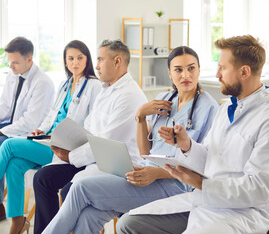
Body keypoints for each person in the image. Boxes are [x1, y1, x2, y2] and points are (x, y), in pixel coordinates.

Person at [117, 35, 269, 234]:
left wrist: (201, 183)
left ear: (244, 72)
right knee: (129, 224)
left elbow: (259, 189)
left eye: (223, 68)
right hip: (204, 200)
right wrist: (187, 145)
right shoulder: (228, 107)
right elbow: (211, 156)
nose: (218, 74)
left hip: (241, 214)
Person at [42, 46, 219, 234]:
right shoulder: (164, 100)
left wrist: (156, 173)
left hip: (176, 185)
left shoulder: (209, 108)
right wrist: (141, 117)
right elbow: (145, 151)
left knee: (80, 188)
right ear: (169, 73)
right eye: (178, 70)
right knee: (89, 216)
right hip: (144, 175)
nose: (186, 75)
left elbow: (203, 164)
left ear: (199, 69)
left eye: (191, 68)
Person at [33, 39, 148, 234]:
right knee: (43, 178)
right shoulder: (107, 89)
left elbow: (104, 143)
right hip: (90, 159)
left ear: (117, 61)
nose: (96, 66)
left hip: (112, 166)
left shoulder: (129, 96)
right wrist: (65, 143)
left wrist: (70, 156)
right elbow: (88, 127)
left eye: (101, 60)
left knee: (71, 189)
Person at [0, 40, 101, 234]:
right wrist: (41, 129)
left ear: (87, 59)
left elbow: (91, 123)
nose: (75, 62)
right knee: (14, 165)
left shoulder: (94, 87)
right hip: (48, 140)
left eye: (80, 57)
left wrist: (58, 136)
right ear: (65, 61)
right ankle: (17, 222)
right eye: (70, 58)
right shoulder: (65, 84)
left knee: (9, 146)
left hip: (65, 148)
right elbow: (51, 115)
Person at [0, 37, 55, 221]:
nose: (11, 66)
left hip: (30, 133)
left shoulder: (43, 83)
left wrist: (2, 132)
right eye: (10, 62)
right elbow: (6, 107)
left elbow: (31, 122)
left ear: (29, 59)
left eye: (15, 62)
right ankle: (5, 209)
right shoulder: (13, 75)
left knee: (3, 143)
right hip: (11, 124)